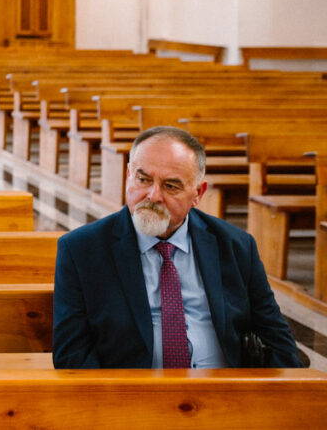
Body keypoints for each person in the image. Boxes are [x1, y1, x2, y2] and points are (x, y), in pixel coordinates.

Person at [53, 126, 299, 369]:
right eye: (143, 179)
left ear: (198, 193)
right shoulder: (81, 250)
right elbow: (72, 357)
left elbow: (277, 339)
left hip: (225, 394)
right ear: (129, 175)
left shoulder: (235, 246)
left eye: (171, 186)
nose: (153, 195)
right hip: (132, 397)